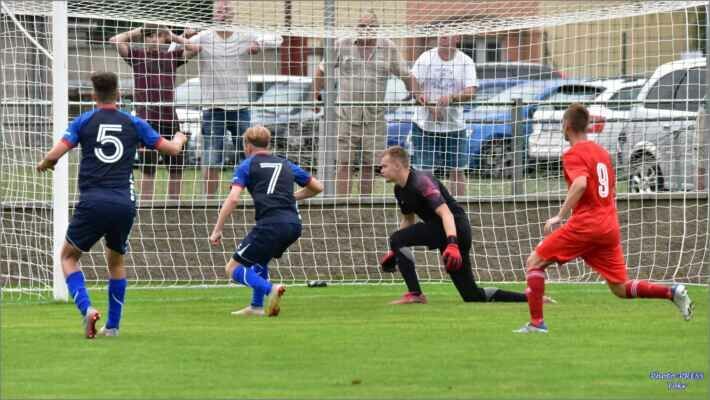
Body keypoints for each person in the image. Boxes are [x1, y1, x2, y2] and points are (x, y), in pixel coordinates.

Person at [515, 103, 694, 334]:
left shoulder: (573, 154)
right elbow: (610, 190)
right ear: (587, 126)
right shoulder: (601, 153)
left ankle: (536, 324)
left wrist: (559, 216)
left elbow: (580, 183)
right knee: (620, 288)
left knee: (535, 262)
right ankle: (671, 292)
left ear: (567, 125)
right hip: (608, 226)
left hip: (586, 225)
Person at [36, 72, 188, 338]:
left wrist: (45, 163)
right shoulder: (134, 122)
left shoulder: (84, 121)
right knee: (116, 261)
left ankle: (86, 309)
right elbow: (172, 150)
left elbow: (56, 153)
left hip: (93, 201)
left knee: (68, 257)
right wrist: (180, 138)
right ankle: (113, 326)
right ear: (118, 94)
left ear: (93, 96)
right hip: (124, 203)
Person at [378, 146, 544, 304]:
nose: (381, 170)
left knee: (397, 238)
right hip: (441, 230)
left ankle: (416, 295)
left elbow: (446, 213)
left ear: (398, 165)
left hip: (455, 228)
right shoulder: (399, 190)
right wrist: (395, 250)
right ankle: (531, 298)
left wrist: (452, 243)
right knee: (471, 296)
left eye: (384, 166)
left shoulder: (422, 181)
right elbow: (408, 219)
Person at [209, 126, 323, 316]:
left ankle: (271, 289)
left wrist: (217, 229)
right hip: (294, 224)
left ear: (247, 145)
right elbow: (317, 187)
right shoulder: (285, 163)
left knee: (232, 268)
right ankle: (256, 306)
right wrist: (291, 197)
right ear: (268, 144)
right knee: (259, 260)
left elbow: (234, 198)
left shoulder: (247, 165)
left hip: (271, 224)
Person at [312, 10, 420, 196]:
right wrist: (315, 94)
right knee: (345, 163)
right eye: (362, 26)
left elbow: (406, 74)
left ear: (377, 29)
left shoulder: (388, 47)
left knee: (371, 164)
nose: (366, 30)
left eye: (371, 27)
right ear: (356, 27)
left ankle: (364, 206)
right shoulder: (342, 44)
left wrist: (419, 95)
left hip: (375, 116)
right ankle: (342, 207)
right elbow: (322, 70)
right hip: (346, 115)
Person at [187, 0, 283, 197]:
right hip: (213, 108)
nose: (222, 13)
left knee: (249, 156)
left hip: (240, 107)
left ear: (233, 13)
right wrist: (185, 37)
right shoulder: (204, 37)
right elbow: (175, 49)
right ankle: (208, 201)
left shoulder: (244, 34)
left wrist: (259, 44)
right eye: (219, 10)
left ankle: (249, 197)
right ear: (213, 13)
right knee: (212, 157)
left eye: (226, 9)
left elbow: (278, 39)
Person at [109, 24, 199, 201]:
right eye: (149, 36)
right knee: (148, 166)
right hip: (146, 119)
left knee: (175, 165)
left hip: (168, 117)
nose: (154, 39)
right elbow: (116, 40)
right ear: (144, 39)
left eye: (158, 36)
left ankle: (174, 204)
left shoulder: (171, 57)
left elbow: (195, 48)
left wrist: (172, 35)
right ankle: (146, 204)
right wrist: (139, 31)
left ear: (164, 39)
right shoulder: (137, 56)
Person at [411, 34, 477, 196]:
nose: (443, 37)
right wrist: (425, 101)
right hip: (424, 124)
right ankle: (427, 208)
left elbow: (471, 91)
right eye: (441, 34)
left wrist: (452, 98)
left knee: (457, 170)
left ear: (458, 38)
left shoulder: (466, 61)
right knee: (424, 172)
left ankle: (457, 209)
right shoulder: (426, 57)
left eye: (448, 34)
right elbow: (412, 81)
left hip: (454, 125)